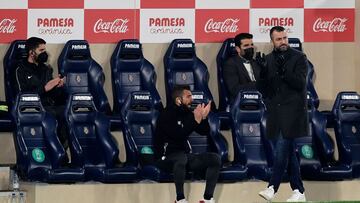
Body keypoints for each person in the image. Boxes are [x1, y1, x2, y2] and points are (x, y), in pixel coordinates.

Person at [256, 26, 308, 202]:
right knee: (288, 153)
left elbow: (300, 84)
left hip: (293, 112)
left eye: (285, 38)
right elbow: (264, 90)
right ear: (272, 41)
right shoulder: (269, 59)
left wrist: (284, 72)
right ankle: (299, 191)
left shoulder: (299, 57)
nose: (283, 41)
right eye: (279, 39)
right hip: (276, 113)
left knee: (281, 148)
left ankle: (272, 187)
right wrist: (262, 73)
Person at [154, 85, 221, 203]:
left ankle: (207, 198)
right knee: (181, 158)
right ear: (178, 100)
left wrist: (204, 118)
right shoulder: (166, 114)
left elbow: (204, 131)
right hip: (165, 158)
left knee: (215, 159)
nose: (192, 99)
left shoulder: (187, 113)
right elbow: (177, 135)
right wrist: (195, 120)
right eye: (188, 96)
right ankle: (179, 199)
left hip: (183, 157)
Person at [15, 37, 68, 152]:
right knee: (51, 116)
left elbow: (53, 94)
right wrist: (44, 88)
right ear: (31, 52)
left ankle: (61, 153)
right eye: (41, 50)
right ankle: (54, 154)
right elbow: (22, 95)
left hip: (48, 105)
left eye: (45, 50)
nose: (45, 53)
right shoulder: (20, 69)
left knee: (67, 112)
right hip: (31, 107)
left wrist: (58, 86)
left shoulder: (46, 68)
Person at [223, 33, 261, 103]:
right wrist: (258, 84)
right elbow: (234, 89)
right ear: (238, 49)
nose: (250, 48)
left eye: (252, 45)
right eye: (246, 46)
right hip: (241, 102)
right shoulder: (230, 64)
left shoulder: (256, 62)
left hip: (260, 100)